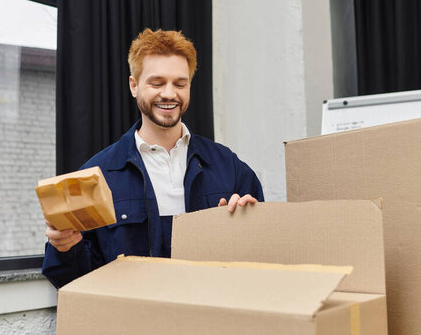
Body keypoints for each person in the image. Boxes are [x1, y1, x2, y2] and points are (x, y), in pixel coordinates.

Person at [42, 29, 264, 288]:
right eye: (157, 83)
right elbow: (71, 281)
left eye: (180, 84)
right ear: (134, 86)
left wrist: (251, 222)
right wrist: (66, 248)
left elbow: (264, 259)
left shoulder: (230, 167)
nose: (169, 94)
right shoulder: (96, 175)